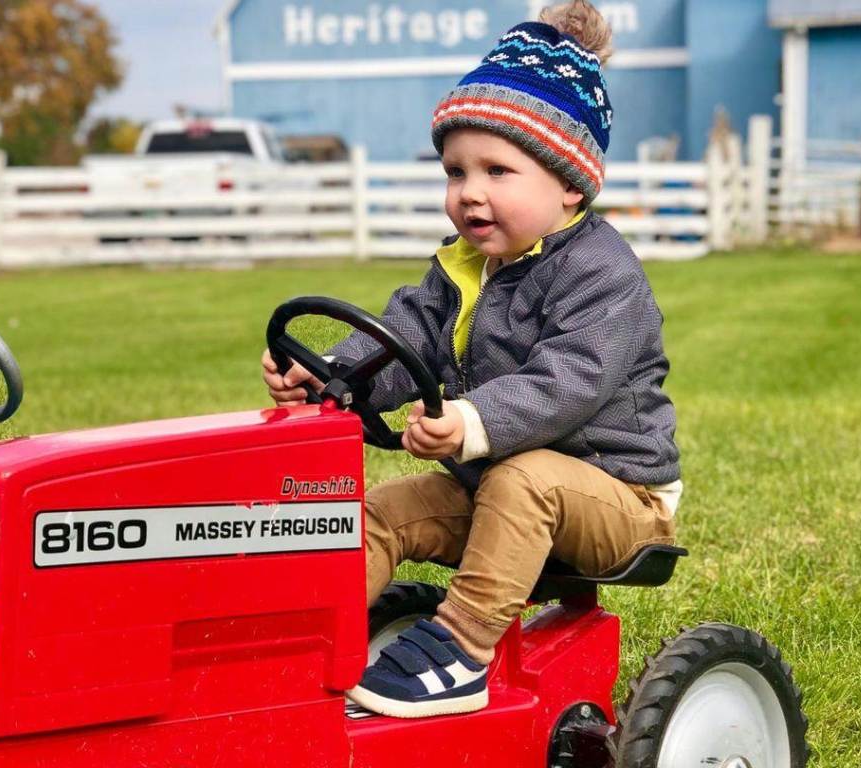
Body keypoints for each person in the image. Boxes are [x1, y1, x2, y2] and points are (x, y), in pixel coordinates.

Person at [262, 0, 681, 719]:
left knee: (526, 478)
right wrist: (332, 375)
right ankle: (302, 642)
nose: (470, 193)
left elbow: (570, 381)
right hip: (495, 487)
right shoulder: (462, 267)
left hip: (619, 500)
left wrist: (469, 423)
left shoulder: (603, 275)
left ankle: (460, 651)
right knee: (380, 513)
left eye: (498, 170)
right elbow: (405, 337)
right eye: (456, 171)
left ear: (569, 185)